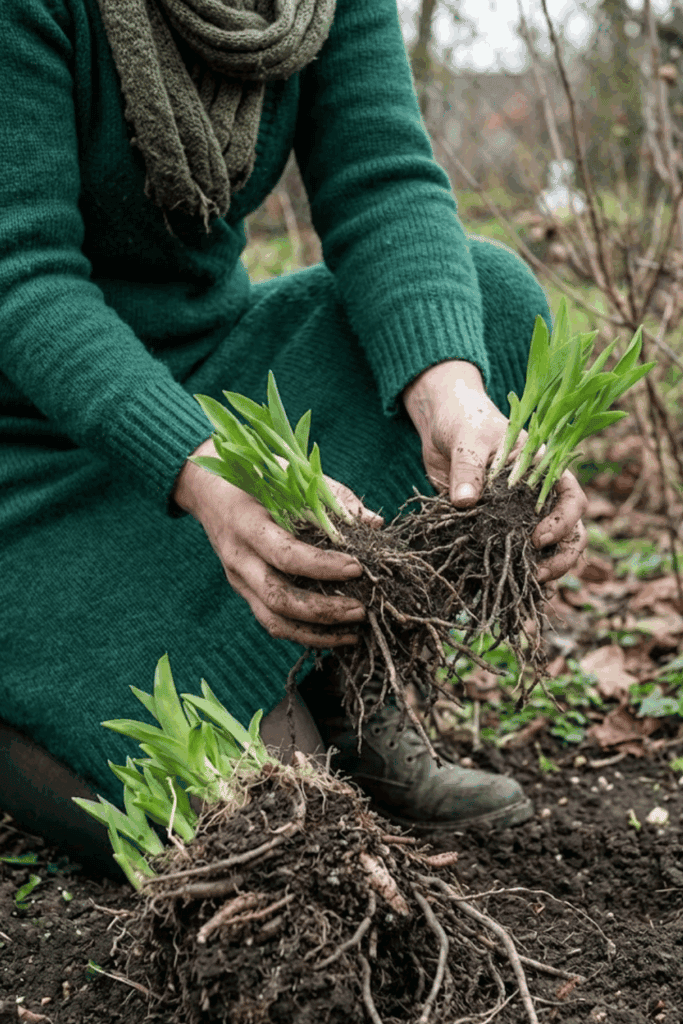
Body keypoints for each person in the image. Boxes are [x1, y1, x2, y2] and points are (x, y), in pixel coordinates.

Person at [0, 0, 587, 877]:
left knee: (489, 301)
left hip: (214, 373)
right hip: (31, 450)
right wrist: (197, 470)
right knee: (257, 824)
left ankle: (338, 667)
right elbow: (23, 276)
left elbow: (381, 186)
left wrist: (453, 398)